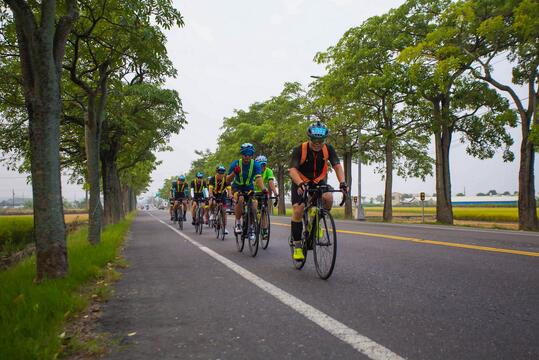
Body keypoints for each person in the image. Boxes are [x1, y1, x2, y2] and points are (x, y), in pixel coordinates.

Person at [288, 121, 348, 261]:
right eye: (314, 140)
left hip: (318, 179)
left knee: (328, 198)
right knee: (298, 210)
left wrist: (343, 183)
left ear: (324, 140)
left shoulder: (328, 149)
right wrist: (300, 183)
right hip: (300, 180)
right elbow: (292, 170)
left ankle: (315, 221)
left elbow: (337, 166)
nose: (317, 143)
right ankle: (297, 246)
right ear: (309, 138)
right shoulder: (300, 149)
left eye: (320, 140)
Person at [226, 143, 267, 236]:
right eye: (245, 155)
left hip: (249, 188)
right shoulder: (236, 163)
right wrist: (234, 173)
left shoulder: (256, 165)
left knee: (254, 204)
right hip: (237, 187)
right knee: (240, 199)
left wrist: (264, 189)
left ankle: (251, 226)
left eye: (249, 155)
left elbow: (258, 178)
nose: (247, 157)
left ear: (252, 155)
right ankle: (238, 223)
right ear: (242, 154)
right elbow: (228, 180)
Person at [254, 155, 278, 239]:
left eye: (264, 164)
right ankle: (252, 220)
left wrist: (275, 193)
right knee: (254, 205)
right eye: (261, 165)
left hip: (263, 192)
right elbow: (257, 181)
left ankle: (264, 231)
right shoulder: (254, 170)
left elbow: (271, 182)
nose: (263, 167)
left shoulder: (269, 171)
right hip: (253, 191)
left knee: (264, 211)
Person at [208, 165, 231, 235]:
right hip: (214, 194)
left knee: (224, 211)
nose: (221, 174)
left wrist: (230, 194)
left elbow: (229, 189)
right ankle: (212, 213)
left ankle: (224, 228)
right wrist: (211, 195)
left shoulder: (226, 179)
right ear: (216, 172)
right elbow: (210, 189)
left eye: (223, 172)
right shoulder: (212, 179)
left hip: (222, 194)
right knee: (213, 202)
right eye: (219, 172)